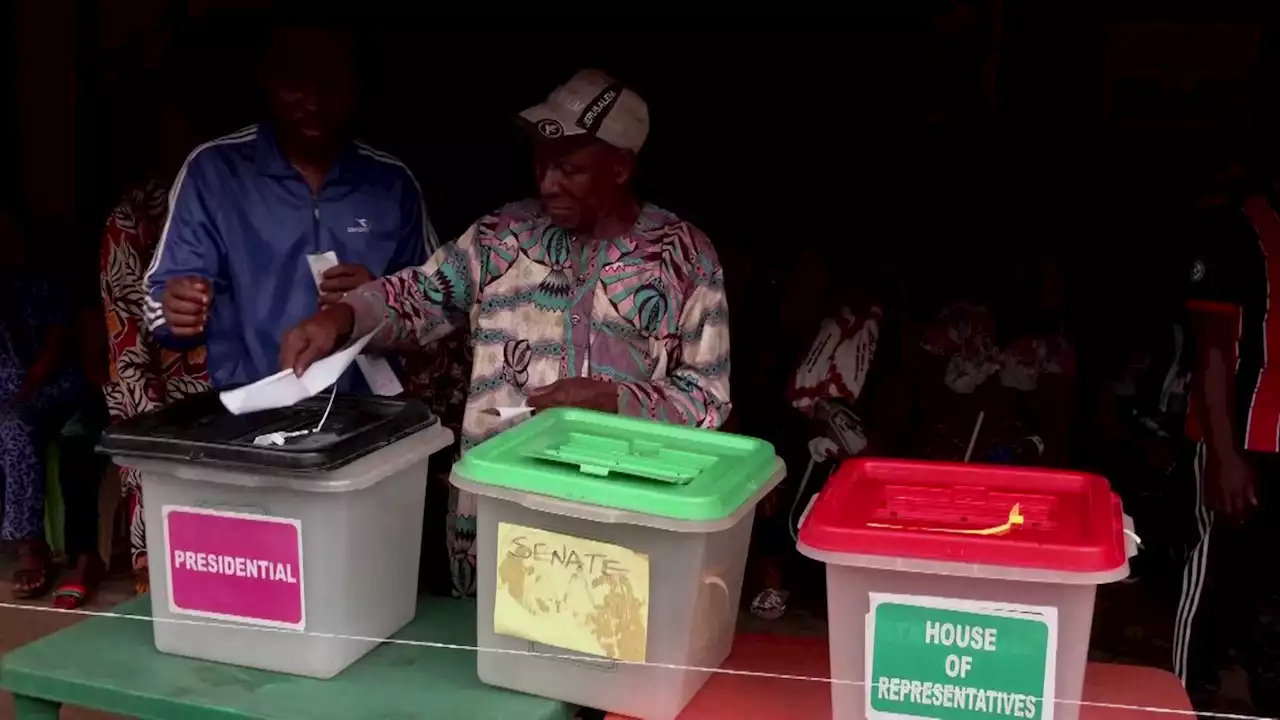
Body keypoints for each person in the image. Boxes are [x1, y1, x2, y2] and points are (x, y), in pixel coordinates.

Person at [279, 69, 731, 597]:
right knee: (489, 662)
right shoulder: (500, 237)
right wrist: (342, 318)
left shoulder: (683, 259)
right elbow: (420, 295)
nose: (547, 183)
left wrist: (610, 400)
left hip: (617, 530)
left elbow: (708, 397)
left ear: (621, 166)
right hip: (495, 517)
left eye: (569, 168)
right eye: (539, 161)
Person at [144, 19, 438, 392]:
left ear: (355, 87)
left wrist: (380, 298)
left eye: (331, 84)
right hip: (252, 413)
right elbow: (158, 305)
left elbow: (436, 310)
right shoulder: (215, 173)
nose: (313, 101)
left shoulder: (392, 183)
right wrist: (174, 309)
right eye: (294, 82)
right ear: (266, 77)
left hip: (372, 417)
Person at [101, 90, 211, 597]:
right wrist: (154, 434)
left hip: (254, 401)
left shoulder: (242, 204)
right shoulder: (134, 217)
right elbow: (125, 339)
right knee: (173, 559)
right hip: (165, 404)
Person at [1176, 187, 1280, 715]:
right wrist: (1223, 454)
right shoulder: (1236, 229)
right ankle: (1182, 698)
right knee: (1216, 577)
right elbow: (1212, 345)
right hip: (1241, 439)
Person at [0, 210, 86, 598]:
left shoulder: (46, 283)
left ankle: (31, 545)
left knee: (14, 425)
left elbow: (57, 344)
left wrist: (25, 389)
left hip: (50, 385)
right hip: (6, 391)